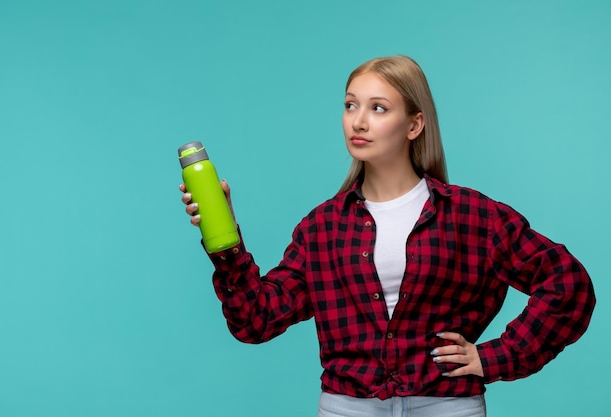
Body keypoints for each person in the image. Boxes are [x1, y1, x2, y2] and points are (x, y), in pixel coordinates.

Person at [179, 55, 595, 417]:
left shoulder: (472, 216)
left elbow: (568, 285)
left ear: (414, 124)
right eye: (350, 105)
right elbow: (256, 321)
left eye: (378, 108)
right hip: (347, 407)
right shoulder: (322, 227)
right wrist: (226, 240)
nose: (358, 121)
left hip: (447, 406)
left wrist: (494, 357)